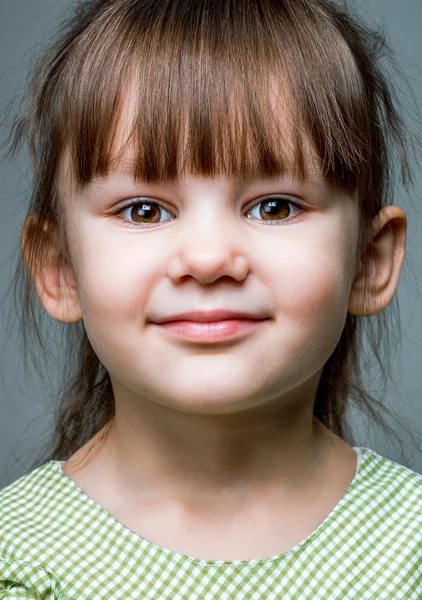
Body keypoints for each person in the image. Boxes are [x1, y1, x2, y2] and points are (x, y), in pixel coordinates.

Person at [1, 0, 421, 597]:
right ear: (60, 269)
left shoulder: (409, 548)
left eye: (274, 206)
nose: (207, 258)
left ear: (369, 262)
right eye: (144, 210)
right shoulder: (20, 558)